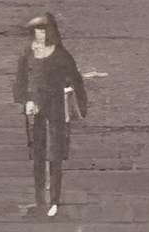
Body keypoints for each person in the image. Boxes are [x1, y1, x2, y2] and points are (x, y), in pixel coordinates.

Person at [12, 11, 89, 219]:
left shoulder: (61, 55)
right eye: (36, 30)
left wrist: (80, 104)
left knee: (55, 153)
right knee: (37, 152)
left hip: (56, 106)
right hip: (35, 107)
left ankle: (54, 200)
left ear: (51, 32)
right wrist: (26, 100)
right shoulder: (28, 53)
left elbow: (76, 79)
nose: (40, 35)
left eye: (43, 30)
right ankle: (39, 199)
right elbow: (20, 79)